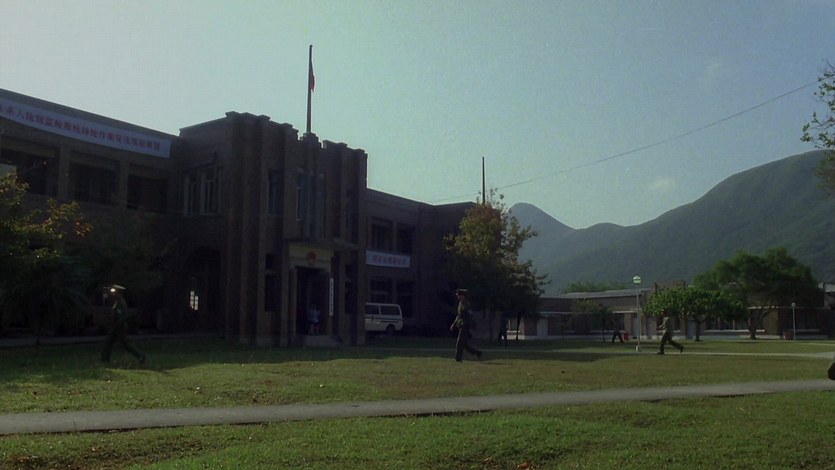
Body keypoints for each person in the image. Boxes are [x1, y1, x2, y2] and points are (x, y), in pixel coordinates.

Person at [101, 285, 145, 364]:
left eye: (115, 292)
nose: (113, 294)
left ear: (119, 293)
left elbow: (121, 317)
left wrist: (116, 326)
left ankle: (140, 356)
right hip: (116, 327)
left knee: (125, 344)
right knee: (108, 343)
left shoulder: (121, 303)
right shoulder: (117, 302)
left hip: (119, 327)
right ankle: (105, 360)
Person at [449, 289, 482, 362]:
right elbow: (458, 315)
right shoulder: (460, 304)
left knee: (459, 342)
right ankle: (477, 352)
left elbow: (470, 317)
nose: (458, 297)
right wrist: (454, 324)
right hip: (460, 324)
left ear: (463, 296)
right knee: (463, 343)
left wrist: (471, 327)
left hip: (466, 325)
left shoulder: (467, 304)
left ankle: (458, 358)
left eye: (459, 295)